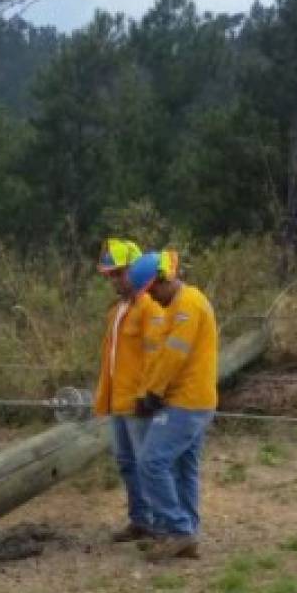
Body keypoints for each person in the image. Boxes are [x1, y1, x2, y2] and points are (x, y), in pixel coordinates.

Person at [127, 251, 218, 560]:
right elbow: (161, 355)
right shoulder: (179, 305)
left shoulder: (187, 307)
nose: (152, 296)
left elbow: (173, 356)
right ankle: (187, 533)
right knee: (183, 467)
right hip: (193, 399)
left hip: (186, 401)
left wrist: (151, 393)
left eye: (153, 290)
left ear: (165, 279)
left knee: (151, 462)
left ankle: (178, 530)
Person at [92, 238, 165, 543]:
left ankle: (162, 524)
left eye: (118, 273)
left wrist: (148, 394)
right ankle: (140, 520)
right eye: (110, 275)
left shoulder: (149, 307)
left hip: (138, 401)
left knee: (148, 463)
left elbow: (156, 354)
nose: (113, 280)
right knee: (127, 462)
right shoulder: (119, 310)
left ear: (134, 270)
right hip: (118, 401)